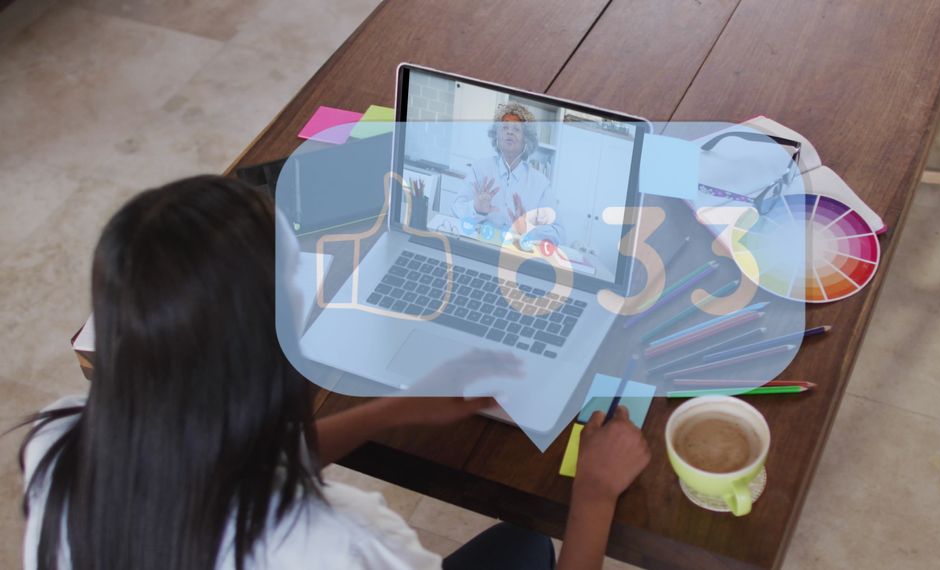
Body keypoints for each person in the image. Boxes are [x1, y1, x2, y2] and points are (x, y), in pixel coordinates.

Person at [16, 175, 649, 570]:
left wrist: (397, 407)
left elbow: (222, 463)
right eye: (301, 286)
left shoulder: (58, 440)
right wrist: (593, 496)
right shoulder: (339, 547)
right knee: (528, 542)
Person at [452, 102, 564, 249]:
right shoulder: (479, 168)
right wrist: (476, 208)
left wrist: (527, 227)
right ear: (496, 136)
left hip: (516, 258)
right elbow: (455, 209)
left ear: (526, 139)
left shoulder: (541, 183)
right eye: (504, 127)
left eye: (517, 129)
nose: (509, 132)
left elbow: (558, 233)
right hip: (478, 248)